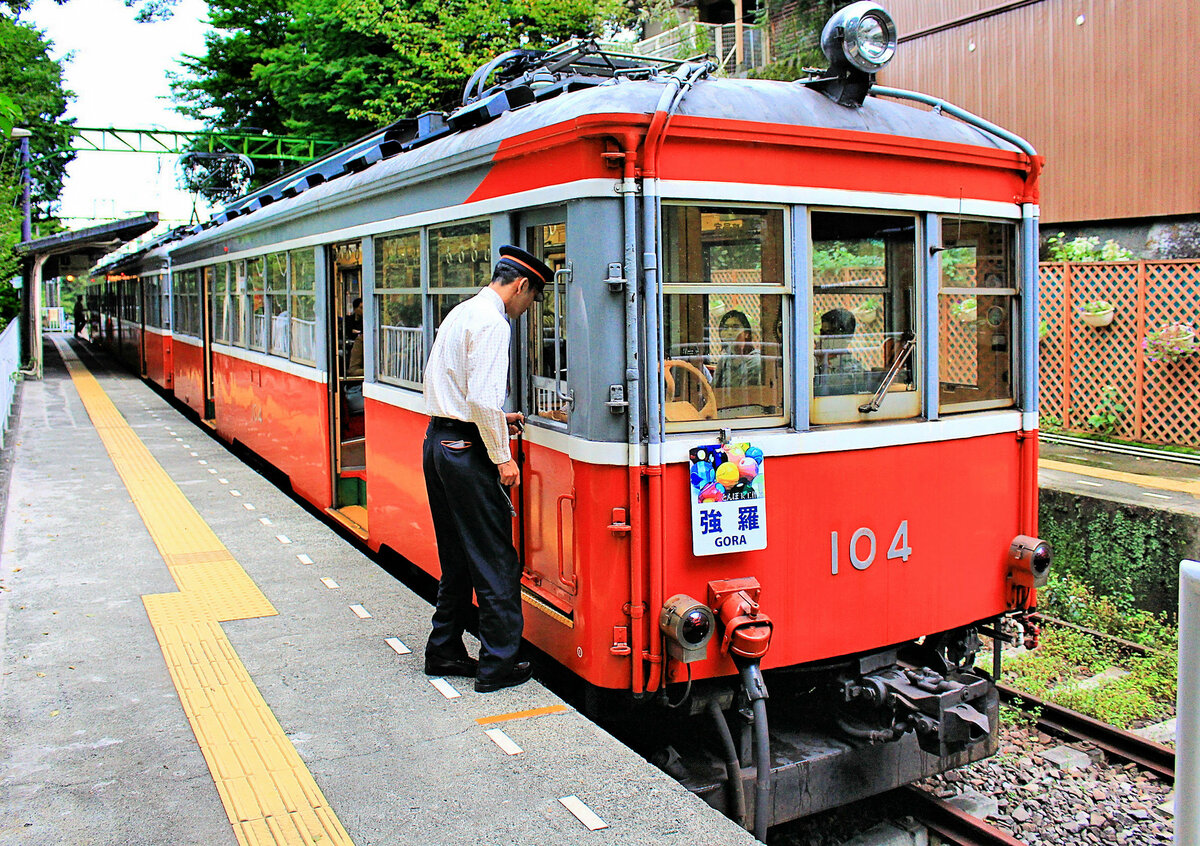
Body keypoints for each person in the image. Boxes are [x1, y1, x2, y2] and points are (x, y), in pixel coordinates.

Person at [422, 244, 551, 693]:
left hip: (438, 441)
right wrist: (503, 455)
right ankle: (498, 664)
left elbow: (457, 391)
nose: (527, 307)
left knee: (456, 557)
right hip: (467, 450)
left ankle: (443, 649)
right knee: (496, 558)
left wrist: (497, 421)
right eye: (531, 298)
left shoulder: (462, 311)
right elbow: (480, 398)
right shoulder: (494, 323)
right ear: (520, 285)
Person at [712, 309, 763, 388]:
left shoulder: (755, 362)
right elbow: (713, 391)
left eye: (735, 328)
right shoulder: (724, 361)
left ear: (747, 334)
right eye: (725, 328)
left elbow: (746, 395)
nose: (729, 333)